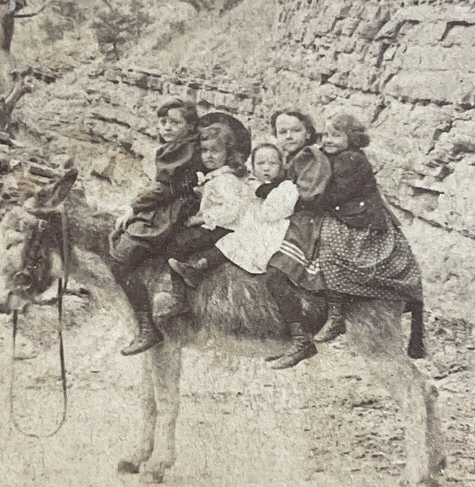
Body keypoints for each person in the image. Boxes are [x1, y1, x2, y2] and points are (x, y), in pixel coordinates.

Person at [309, 113, 423, 343]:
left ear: (352, 139)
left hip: (359, 218)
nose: (328, 140)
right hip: (349, 211)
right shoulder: (337, 156)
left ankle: (336, 314)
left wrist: (308, 200)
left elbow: (338, 194)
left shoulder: (351, 159)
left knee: (329, 247)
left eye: (336, 135)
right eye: (326, 135)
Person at [109, 98, 203, 356]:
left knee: (120, 259)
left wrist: (134, 207)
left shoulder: (180, 150)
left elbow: (163, 188)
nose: (167, 127)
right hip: (173, 204)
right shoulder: (183, 147)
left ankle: (148, 328)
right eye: (163, 122)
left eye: (175, 122)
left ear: (190, 125)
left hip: (172, 209)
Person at [258, 109, 333, 369]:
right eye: (283, 132)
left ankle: (301, 339)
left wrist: (282, 197)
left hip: (307, 221)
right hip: (293, 217)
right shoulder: (291, 158)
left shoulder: (311, 156)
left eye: (295, 130)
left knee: (275, 273)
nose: (289, 136)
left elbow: (310, 194)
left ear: (308, 133)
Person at [168, 142, 299, 284]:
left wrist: (261, 190)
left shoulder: (286, 186)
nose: (266, 168)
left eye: (272, 163)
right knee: (225, 242)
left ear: (281, 165)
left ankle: (198, 268)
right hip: (245, 226)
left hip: (268, 230)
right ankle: (195, 269)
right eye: (260, 163)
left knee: (233, 244)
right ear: (253, 166)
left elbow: (274, 212)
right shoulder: (249, 183)